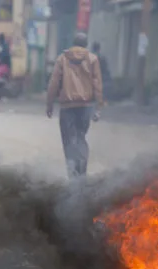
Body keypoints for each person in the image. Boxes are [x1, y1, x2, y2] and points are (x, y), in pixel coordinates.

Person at [46, 32, 103, 177]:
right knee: (80, 138)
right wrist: (98, 107)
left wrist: (50, 104)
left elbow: (54, 83)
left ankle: (72, 173)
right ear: (86, 44)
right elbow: (97, 84)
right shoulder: (92, 59)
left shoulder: (62, 59)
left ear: (73, 43)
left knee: (69, 142)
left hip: (67, 108)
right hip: (85, 107)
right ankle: (82, 171)